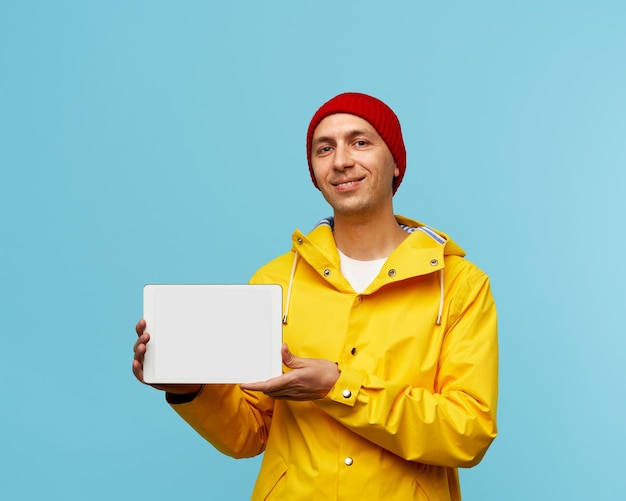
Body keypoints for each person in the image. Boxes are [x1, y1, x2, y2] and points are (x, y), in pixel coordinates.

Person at [133, 92, 498, 500]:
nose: (341, 160)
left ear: (395, 161)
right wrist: (190, 389)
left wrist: (339, 389)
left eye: (360, 142)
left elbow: (467, 432)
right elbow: (250, 433)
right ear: (314, 170)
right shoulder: (276, 281)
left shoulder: (460, 284)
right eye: (325, 148)